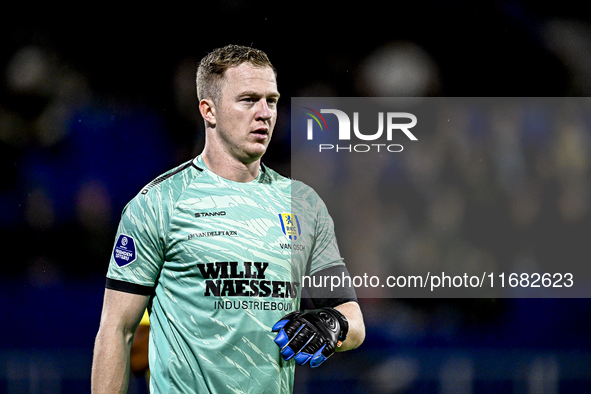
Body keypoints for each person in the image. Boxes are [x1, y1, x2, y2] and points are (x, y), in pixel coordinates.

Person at [91, 44, 365, 394]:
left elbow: (352, 318)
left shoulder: (304, 204)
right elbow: (117, 329)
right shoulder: (159, 204)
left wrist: (335, 324)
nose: (264, 113)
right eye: (249, 100)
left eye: (272, 100)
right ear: (209, 110)